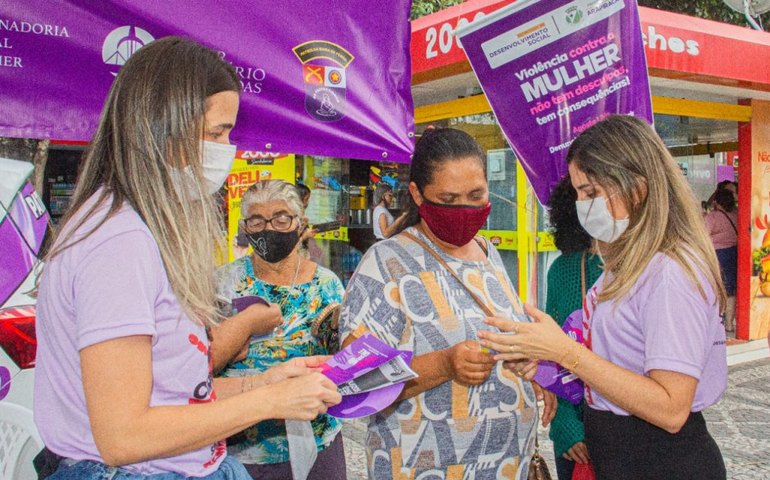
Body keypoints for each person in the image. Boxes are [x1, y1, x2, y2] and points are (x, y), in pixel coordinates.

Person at [33, 37, 340, 480]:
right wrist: (270, 402)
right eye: (216, 133)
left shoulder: (135, 229)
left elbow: (173, 394)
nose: (226, 149)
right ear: (161, 127)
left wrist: (270, 381)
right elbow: (125, 436)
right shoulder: (118, 243)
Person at [479, 115, 728, 480]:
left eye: (591, 192)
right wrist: (546, 363)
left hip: (662, 462)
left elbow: (671, 408)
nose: (582, 205)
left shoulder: (670, 272)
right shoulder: (626, 262)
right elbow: (616, 366)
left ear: (638, 189)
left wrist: (565, 352)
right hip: (620, 456)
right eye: (579, 193)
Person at [340, 128, 554, 479]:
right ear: (417, 195)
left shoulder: (489, 253)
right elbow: (356, 381)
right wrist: (443, 364)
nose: (465, 210)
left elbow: (502, 336)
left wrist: (534, 371)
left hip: (506, 465)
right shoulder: (385, 263)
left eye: (476, 195)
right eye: (449, 199)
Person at [212, 179, 347, 480]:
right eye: (257, 220)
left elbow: (341, 356)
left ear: (301, 225)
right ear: (246, 227)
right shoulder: (222, 284)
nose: (269, 228)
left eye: (282, 218)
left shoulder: (327, 284)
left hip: (317, 436)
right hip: (241, 444)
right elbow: (199, 365)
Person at [545, 175, 603, 480]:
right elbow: (554, 352)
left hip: (581, 425)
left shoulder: (564, 268)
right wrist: (565, 425)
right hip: (596, 429)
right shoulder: (569, 270)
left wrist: (566, 424)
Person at [705, 188, 738, 333]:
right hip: (734, 253)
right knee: (730, 290)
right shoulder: (736, 214)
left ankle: (716, 325)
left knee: (715, 288)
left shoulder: (712, 217)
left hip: (717, 255)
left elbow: (702, 236)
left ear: (716, 202)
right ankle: (729, 324)